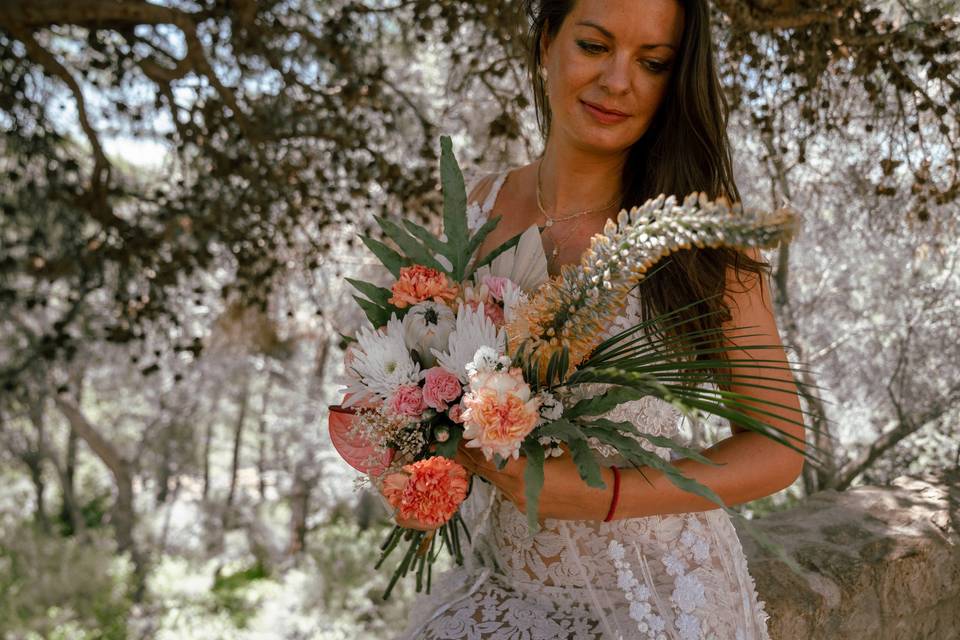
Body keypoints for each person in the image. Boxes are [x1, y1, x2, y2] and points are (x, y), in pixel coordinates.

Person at [389, 0, 805, 637]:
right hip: (501, 582)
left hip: (655, 598)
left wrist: (601, 495)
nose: (618, 81)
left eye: (653, 61)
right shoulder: (472, 209)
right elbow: (414, 384)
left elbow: (777, 447)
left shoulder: (703, 241)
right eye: (593, 46)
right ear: (548, 41)